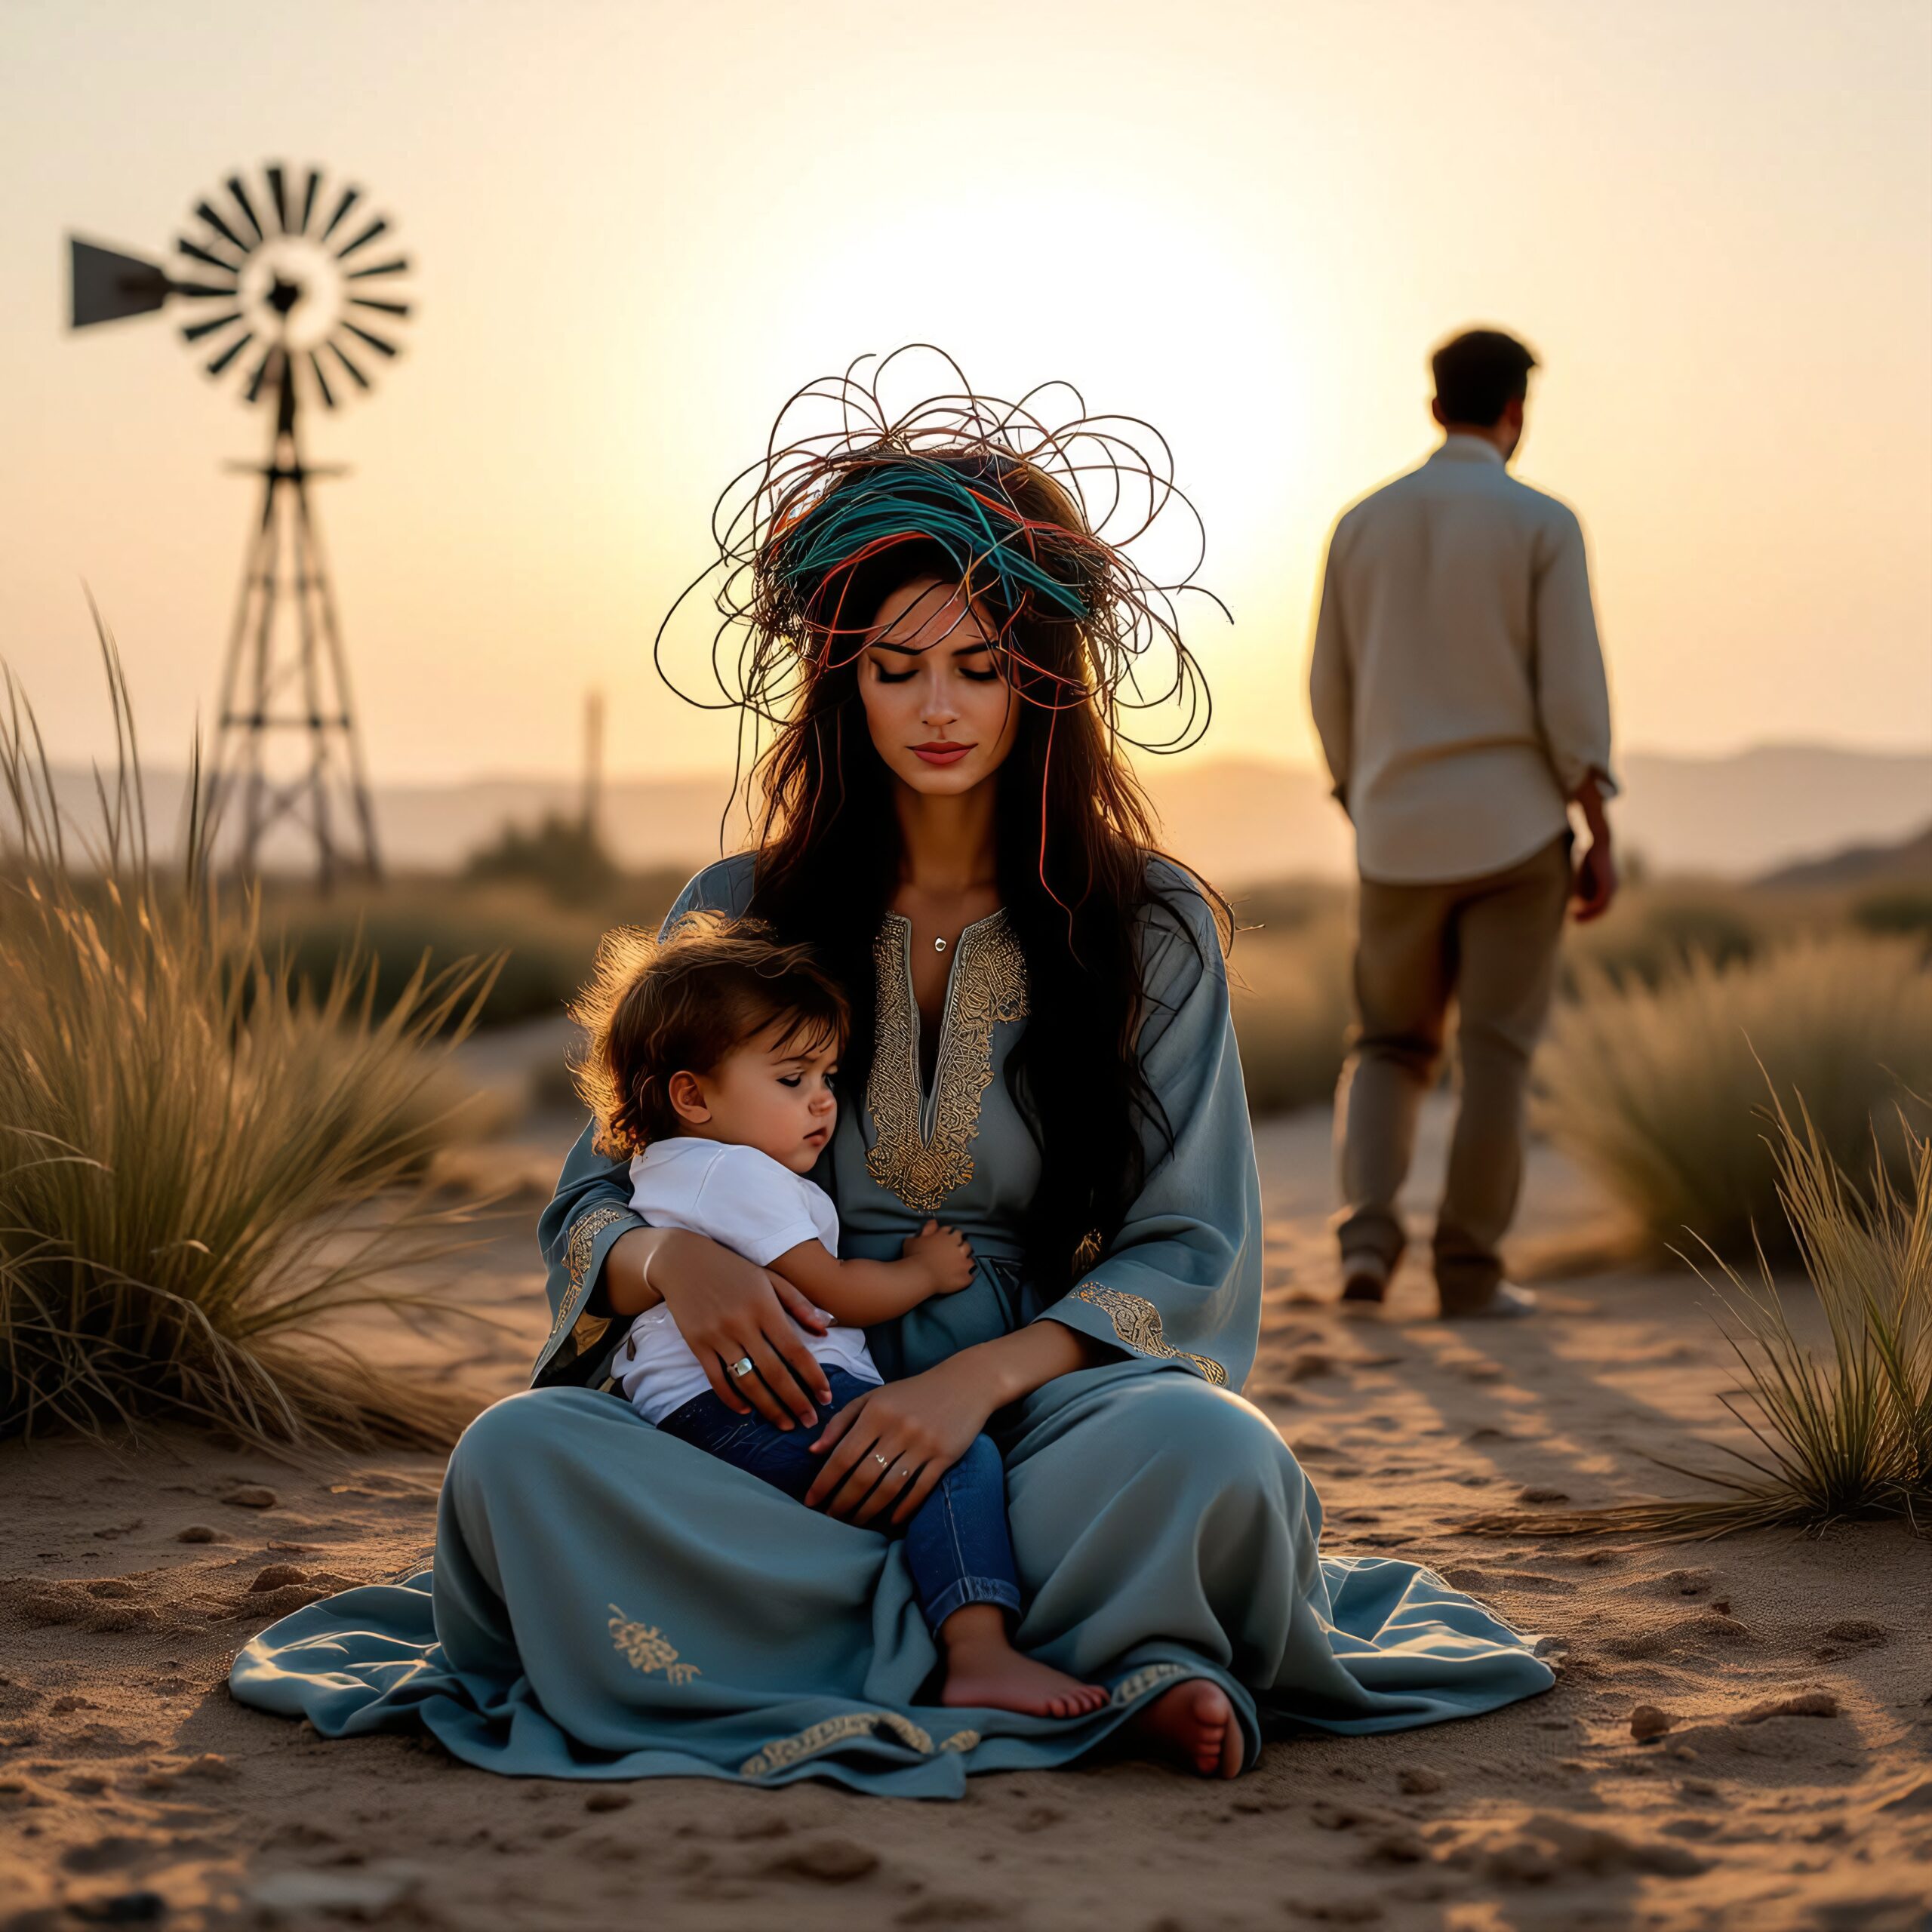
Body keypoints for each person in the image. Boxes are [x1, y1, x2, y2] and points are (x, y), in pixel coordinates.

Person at [232, 355, 1554, 1793]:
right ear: (840, 677)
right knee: (517, 1458)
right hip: (760, 1429)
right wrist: (677, 1267)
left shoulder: (1149, 924)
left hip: (1038, 1419)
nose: (940, 706)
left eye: (982, 666)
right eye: (897, 666)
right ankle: (1091, 1663)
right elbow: (590, 1204)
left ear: (1043, 678)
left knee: (1211, 1454)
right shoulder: (736, 904)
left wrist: (971, 1386)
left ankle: (917, 1643)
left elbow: (1193, 1247)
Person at [571, 909, 1104, 1718]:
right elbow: (837, 1290)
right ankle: (979, 1651)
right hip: (749, 1401)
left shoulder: (677, 1166)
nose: (823, 1103)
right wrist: (923, 1274)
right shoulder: (736, 1177)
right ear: (693, 1094)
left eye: (827, 1078)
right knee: (951, 1464)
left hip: (691, 1411)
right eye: (792, 1081)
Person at [1309, 327, 1618, 1321]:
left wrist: (1363, 794)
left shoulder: (1361, 524)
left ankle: (1365, 1242)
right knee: (1495, 1056)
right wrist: (1596, 825)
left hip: (1395, 835)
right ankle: (1469, 1272)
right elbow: (1569, 695)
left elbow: (1328, 686)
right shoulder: (1543, 522)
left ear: (1435, 405)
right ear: (1516, 413)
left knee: (1389, 1044)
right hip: (1517, 831)